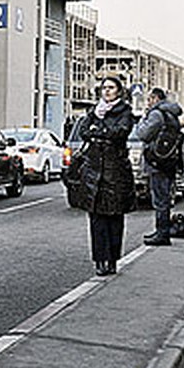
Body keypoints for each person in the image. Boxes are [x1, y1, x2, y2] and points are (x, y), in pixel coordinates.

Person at [78, 75, 135, 276]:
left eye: (111, 88)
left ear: (119, 91)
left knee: (114, 219)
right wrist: (98, 129)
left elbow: (120, 132)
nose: (107, 91)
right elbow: (83, 131)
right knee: (96, 220)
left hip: (115, 172)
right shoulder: (94, 111)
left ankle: (112, 260)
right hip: (94, 172)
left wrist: (98, 130)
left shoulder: (124, 111)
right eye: (104, 88)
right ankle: (100, 260)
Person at [134, 87, 182, 246]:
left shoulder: (156, 114)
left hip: (157, 161)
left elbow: (143, 134)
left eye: (149, 99)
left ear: (155, 98)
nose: (148, 102)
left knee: (160, 199)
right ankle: (162, 231)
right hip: (168, 160)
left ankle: (162, 233)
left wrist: (142, 119)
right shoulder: (172, 114)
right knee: (165, 197)